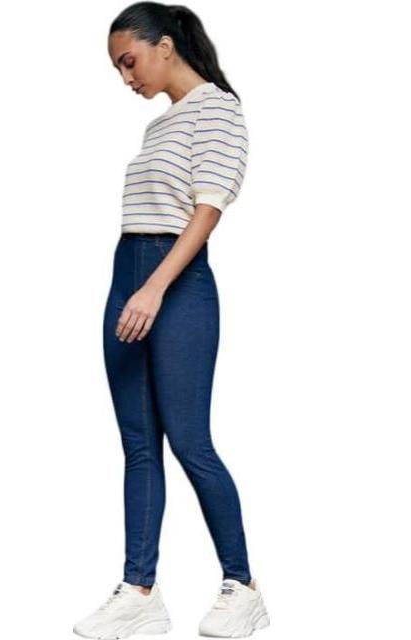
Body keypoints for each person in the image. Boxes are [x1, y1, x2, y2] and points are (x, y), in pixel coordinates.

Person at [73, 3, 270, 638]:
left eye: (129, 61)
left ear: (164, 45)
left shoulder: (219, 109)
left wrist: (155, 289)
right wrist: (135, 288)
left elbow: (208, 210)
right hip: (127, 275)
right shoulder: (161, 125)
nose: (125, 77)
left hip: (175, 285)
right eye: (117, 68)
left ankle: (242, 586)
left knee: (189, 441)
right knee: (138, 444)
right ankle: (140, 591)